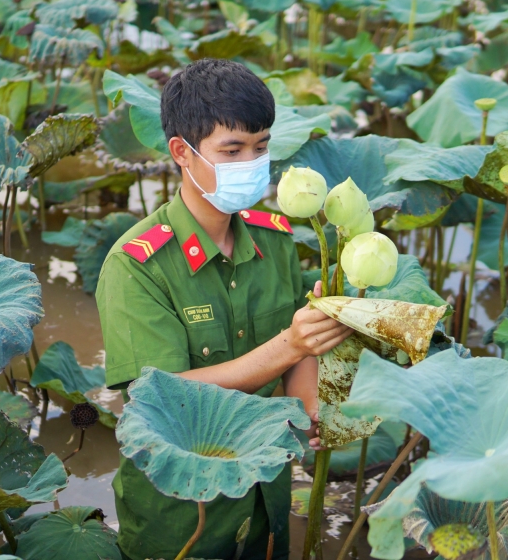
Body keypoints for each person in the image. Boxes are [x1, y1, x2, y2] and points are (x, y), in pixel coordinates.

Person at [95, 58, 353, 560]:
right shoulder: (137, 264)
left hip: (267, 492)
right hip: (183, 511)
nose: (251, 162)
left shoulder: (274, 237)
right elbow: (157, 395)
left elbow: (298, 348)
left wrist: (306, 405)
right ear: (182, 153)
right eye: (231, 150)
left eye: (261, 147)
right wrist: (290, 344)